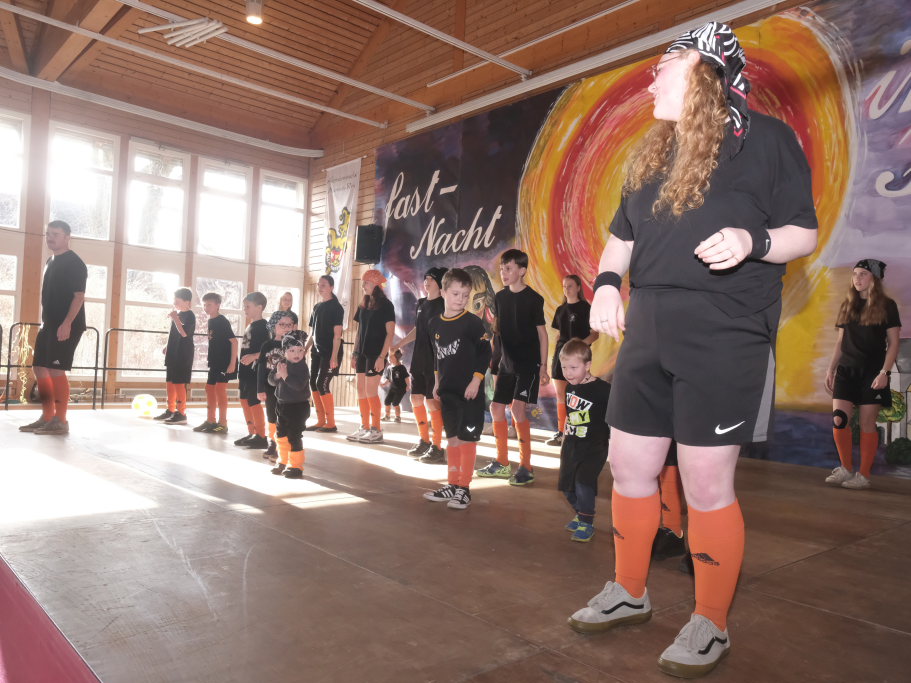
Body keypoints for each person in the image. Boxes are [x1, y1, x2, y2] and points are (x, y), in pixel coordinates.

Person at [566, 23, 818, 679]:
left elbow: (803, 232)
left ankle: (710, 621)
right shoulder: (651, 153)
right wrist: (606, 284)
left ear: (705, 73)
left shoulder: (767, 141)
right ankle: (629, 590)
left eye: (665, 65)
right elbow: (621, 238)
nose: (652, 78)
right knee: (627, 464)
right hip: (649, 325)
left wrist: (754, 241)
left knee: (706, 483)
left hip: (726, 329)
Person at [824, 259, 901, 490]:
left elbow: (894, 343)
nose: (857, 278)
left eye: (863, 274)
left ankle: (864, 475)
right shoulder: (847, 305)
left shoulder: (887, 306)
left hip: (873, 372)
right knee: (839, 419)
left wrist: (884, 372)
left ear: (874, 279)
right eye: (855, 274)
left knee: (867, 423)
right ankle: (846, 468)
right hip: (846, 370)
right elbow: (840, 341)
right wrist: (831, 369)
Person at [477, 249, 549, 485]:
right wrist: (495, 363)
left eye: (508, 269)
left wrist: (543, 366)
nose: (503, 273)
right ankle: (502, 462)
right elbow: (498, 332)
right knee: (497, 408)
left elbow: (542, 335)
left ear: (522, 271)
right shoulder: (500, 297)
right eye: (501, 269)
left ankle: (526, 466)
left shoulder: (534, 299)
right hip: (506, 364)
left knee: (517, 410)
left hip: (528, 364)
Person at [423, 268, 492, 509]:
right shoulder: (434, 324)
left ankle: (464, 488)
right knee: (452, 438)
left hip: (469, 393)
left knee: (466, 439)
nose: (461, 299)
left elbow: (485, 353)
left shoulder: (472, 323)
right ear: (443, 292)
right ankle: (452, 484)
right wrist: (437, 382)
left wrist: (476, 380)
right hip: (448, 392)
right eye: (455, 294)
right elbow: (437, 357)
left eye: (465, 295)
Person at [20, 220, 87, 436]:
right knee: (39, 367)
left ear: (67, 237)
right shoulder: (50, 260)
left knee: (56, 369)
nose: (50, 238)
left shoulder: (75, 263)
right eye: (48, 234)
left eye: (55, 234)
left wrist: (66, 323)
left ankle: (61, 420)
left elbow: (78, 297)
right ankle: (48, 416)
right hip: (49, 324)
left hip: (67, 324)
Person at [557, 339, 610, 542]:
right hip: (572, 445)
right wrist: (565, 440)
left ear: (587, 365)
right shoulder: (570, 388)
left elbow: (614, 418)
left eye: (573, 368)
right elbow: (570, 417)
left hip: (594, 446)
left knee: (583, 482)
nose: (568, 373)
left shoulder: (603, 390)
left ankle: (587, 522)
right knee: (566, 486)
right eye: (564, 367)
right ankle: (581, 514)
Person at [393, 267, 447, 463]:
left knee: (432, 401)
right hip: (419, 358)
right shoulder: (422, 303)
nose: (427, 282)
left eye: (431, 279)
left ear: (440, 284)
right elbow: (418, 329)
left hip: (435, 359)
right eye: (426, 278)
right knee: (416, 398)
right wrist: (399, 343)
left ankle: (437, 446)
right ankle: (424, 440)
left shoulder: (444, 304)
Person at [547, 275, 599, 447]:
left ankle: (577, 432)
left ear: (578, 287)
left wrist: (579, 346)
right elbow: (558, 335)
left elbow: (595, 334)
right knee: (561, 395)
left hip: (578, 358)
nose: (566, 289)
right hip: (560, 356)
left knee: (578, 396)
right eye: (564, 286)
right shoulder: (560, 310)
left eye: (570, 286)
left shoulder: (586, 308)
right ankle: (562, 433)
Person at [347, 270, 395, 444]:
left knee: (370, 391)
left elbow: (390, 333)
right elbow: (359, 331)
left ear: (376, 284)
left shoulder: (386, 305)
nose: (363, 286)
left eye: (366, 282)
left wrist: (382, 356)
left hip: (376, 354)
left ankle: (376, 429)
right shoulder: (364, 303)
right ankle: (365, 426)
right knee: (360, 389)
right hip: (361, 353)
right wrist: (355, 353)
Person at [304, 275, 344, 433]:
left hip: (330, 352)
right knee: (313, 383)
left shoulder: (336, 307)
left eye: (324, 285)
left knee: (322, 383)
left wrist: (334, 356)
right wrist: (305, 348)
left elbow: (337, 335)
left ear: (331, 287)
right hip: (316, 352)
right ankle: (321, 420)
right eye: (319, 285)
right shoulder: (317, 307)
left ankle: (331, 423)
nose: (320, 288)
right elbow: (312, 332)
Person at [268, 330, 311, 479]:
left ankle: (295, 466)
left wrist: (285, 376)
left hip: (299, 407)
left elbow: (298, 386)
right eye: (292, 350)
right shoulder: (281, 364)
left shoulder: (302, 367)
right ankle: (283, 461)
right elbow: (271, 381)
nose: (296, 354)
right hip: (282, 405)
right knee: (280, 435)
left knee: (294, 436)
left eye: (300, 350)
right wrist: (277, 375)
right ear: (285, 351)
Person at [193, 293, 238, 434]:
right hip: (214, 362)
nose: (206, 307)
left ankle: (223, 424)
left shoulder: (222, 321)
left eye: (209, 305)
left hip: (224, 362)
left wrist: (232, 364)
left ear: (217, 305)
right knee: (209, 388)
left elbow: (234, 342)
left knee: (219, 390)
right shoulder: (211, 321)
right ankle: (211, 421)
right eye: (204, 305)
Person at [257, 311, 298, 461]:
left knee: (285, 416)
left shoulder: (294, 345)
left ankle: (284, 446)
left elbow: (299, 366)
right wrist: (260, 389)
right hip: (270, 387)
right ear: (274, 326)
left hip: (288, 388)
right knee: (272, 416)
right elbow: (261, 368)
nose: (286, 327)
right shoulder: (267, 345)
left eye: (289, 325)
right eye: (282, 324)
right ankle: (273, 443)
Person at [154, 287, 196, 425]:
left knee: (179, 382)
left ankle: (181, 413)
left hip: (183, 354)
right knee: (170, 382)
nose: (174, 303)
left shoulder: (190, 315)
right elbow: (174, 333)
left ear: (186, 301)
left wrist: (175, 318)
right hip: (172, 352)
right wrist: (167, 346)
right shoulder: (177, 314)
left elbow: (184, 333)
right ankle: (170, 409)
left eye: (177, 300)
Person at [235, 292, 270, 449]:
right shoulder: (250, 325)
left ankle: (261, 436)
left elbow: (269, 350)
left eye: (247, 307)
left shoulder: (264, 327)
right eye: (244, 306)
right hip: (245, 371)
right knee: (244, 400)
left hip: (255, 371)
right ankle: (252, 432)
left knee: (254, 401)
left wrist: (254, 356)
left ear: (259, 307)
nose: (245, 309)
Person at [381, 349, 410, 422]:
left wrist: (408, 385)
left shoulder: (401, 367)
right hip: (392, 388)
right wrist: (384, 384)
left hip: (401, 389)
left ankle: (398, 417)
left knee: (395, 403)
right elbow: (389, 379)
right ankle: (387, 416)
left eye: (391, 357)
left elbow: (406, 377)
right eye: (388, 357)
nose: (389, 358)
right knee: (387, 401)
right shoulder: (389, 368)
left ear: (397, 358)